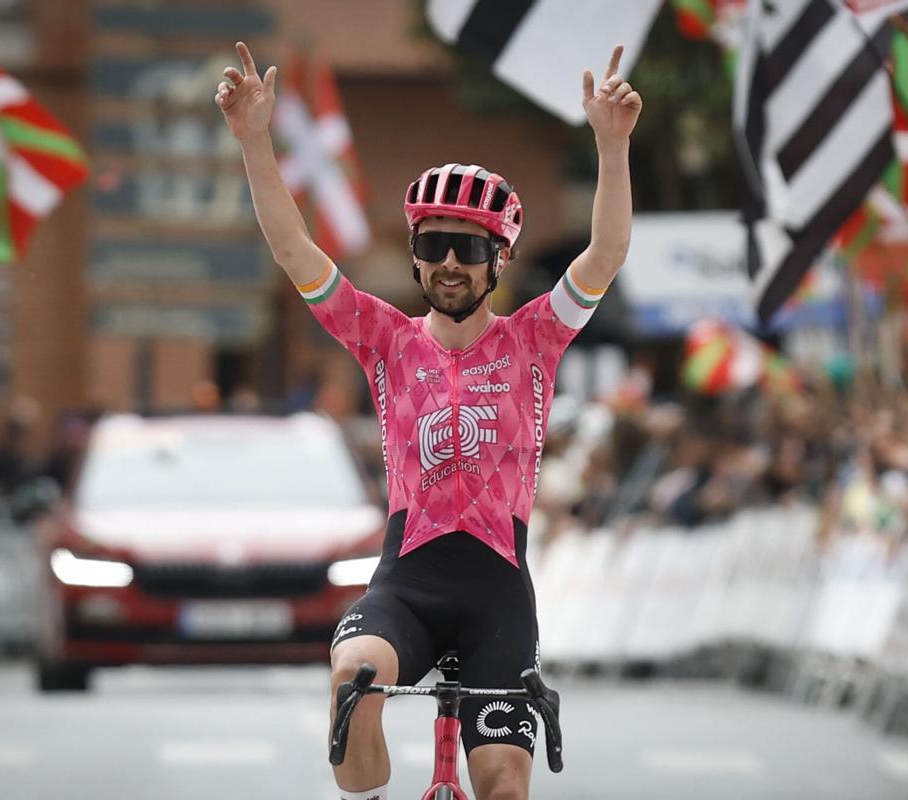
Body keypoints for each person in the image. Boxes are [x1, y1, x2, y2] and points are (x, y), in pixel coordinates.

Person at [216, 41, 641, 800]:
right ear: (414, 259)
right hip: (404, 588)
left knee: (504, 786)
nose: (450, 262)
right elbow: (292, 249)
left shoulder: (534, 339)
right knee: (352, 680)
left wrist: (611, 146)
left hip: (496, 597)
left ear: (497, 261)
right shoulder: (385, 339)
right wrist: (254, 140)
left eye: (469, 249)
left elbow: (605, 253)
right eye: (433, 246)